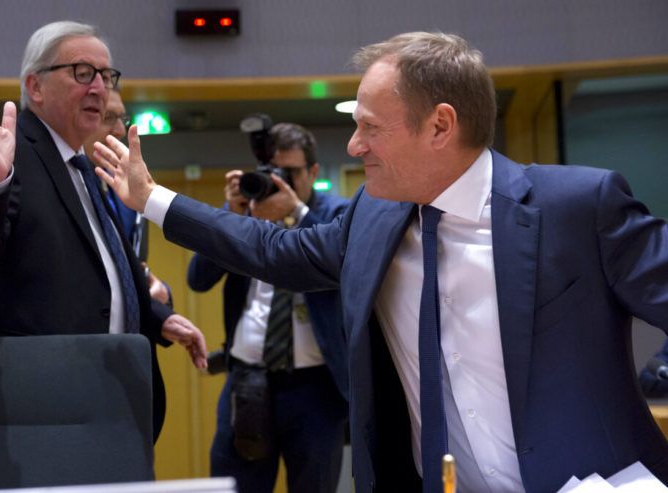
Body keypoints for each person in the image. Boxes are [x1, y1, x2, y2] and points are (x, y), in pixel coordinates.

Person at [101, 31, 668, 492]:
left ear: (440, 126)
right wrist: (152, 198)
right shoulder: (372, 217)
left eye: (370, 127)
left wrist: (656, 378)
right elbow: (274, 250)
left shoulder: (576, 207)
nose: (354, 145)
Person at [0, 20, 207, 443]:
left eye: (107, 75)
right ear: (36, 85)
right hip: (40, 409)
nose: (99, 87)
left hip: (108, 401)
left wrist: (158, 318)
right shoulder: (11, 150)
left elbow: (104, 269)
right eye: (83, 72)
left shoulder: (83, 166)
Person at [187, 123, 350, 493]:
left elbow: (344, 264)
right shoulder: (248, 215)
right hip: (247, 382)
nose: (279, 182)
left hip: (316, 389)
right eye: (272, 173)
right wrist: (231, 214)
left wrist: (296, 212)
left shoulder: (335, 214)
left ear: (312, 172)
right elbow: (198, 278)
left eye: (289, 173)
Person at [84, 89, 172, 306]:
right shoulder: (65, 185)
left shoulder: (124, 186)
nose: (121, 130)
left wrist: (161, 296)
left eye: (122, 118)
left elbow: (134, 263)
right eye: (108, 118)